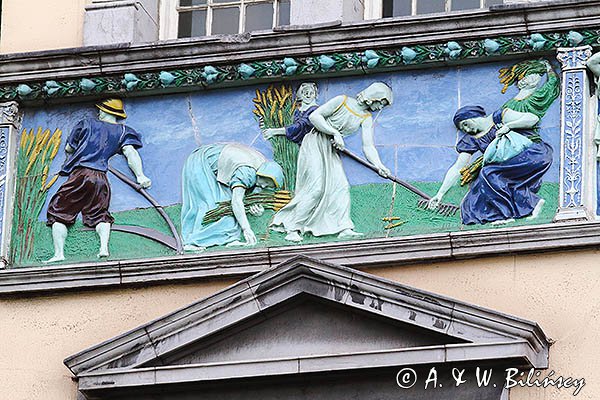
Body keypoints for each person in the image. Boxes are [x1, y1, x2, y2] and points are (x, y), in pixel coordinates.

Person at [271, 82, 392, 242]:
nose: (379, 107)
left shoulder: (366, 118)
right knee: (316, 188)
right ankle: (294, 228)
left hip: (331, 149)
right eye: (380, 102)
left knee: (341, 187)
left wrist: (379, 166)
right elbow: (314, 117)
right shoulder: (342, 101)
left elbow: (368, 146)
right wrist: (334, 133)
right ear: (372, 97)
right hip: (315, 143)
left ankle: (344, 228)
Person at [45, 98, 152, 262]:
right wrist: (140, 176)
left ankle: (59, 254)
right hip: (101, 177)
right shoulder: (124, 131)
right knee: (100, 214)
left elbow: (69, 148)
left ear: (104, 111)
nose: (98, 112)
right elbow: (131, 153)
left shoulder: (86, 123)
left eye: (100, 109)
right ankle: (103, 249)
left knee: (59, 211)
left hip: (79, 174)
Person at [428, 105, 553, 225]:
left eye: (465, 124)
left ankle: (506, 213)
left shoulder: (500, 117)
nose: (466, 130)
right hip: (507, 166)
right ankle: (531, 204)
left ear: (474, 117)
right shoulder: (471, 139)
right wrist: (440, 194)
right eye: (462, 129)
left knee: (489, 173)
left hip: (532, 154)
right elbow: (458, 167)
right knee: (474, 198)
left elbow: (533, 119)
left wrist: (509, 126)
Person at [181, 143, 284, 251]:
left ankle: (230, 239)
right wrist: (246, 229)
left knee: (228, 210)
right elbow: (237, 201)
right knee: (209, 204)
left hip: (215, 167)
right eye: (265, 182)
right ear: (263, 174)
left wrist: (255, 207)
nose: (263, 186)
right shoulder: (246, 172)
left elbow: (249, 195)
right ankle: (193, 242)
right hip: (200, 163)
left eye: (268, 186)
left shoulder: (262, 168)